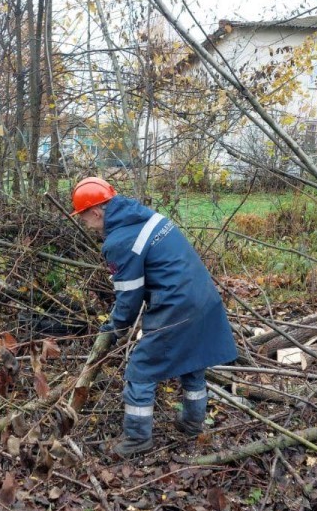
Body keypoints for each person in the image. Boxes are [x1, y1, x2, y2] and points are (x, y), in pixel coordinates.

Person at [70, 177, 237, 456]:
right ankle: (193, 424)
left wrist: (116, 329)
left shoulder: (120, 240)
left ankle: (137, 439)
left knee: (141, 369)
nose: (84, 224)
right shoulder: (144, 217)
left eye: (83, 217)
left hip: (177, 305)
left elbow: (130, 297)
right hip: (203, 296)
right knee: (192, 361)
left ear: (96, 211)